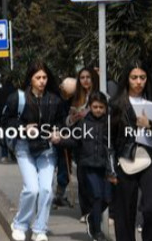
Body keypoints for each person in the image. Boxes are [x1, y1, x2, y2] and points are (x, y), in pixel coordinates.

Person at [2, 61, 65, 241]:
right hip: (24, 147)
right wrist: (22, 127)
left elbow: (61, 121)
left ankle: (40, 229)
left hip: (47, 149)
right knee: (32, 189)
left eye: (44, 77)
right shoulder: (18, 98)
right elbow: (5, 121)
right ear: (30, 78)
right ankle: (20, 224)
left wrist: (57, 131)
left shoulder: (54, 99)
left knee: (46, 189)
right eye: (38, 77)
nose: (42, 81)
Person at [111, 61, 152, 241]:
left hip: (150, 157)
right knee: (124, 212)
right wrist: (109, 167)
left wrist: (150, 125)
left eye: (142, 77)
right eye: (134, 77)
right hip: (125, 158)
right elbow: (108, 138)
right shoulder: (117, 104)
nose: (138, 82)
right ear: (127, 79)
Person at [52, 91, 115, 241]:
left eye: (101, 107)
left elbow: (114, 144)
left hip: (105, 166)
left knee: (107, 198)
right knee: (97, 196)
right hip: (88, 165)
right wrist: (59, 140)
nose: (98, 110)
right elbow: (74, 140)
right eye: (95, 107)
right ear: (90, 107)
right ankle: (97, 231)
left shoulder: (109, 123)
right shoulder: (84, 122)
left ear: (106, 107)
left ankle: (91, 219)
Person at [67, 68, 100, 223]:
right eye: (82, 78)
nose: (85, 80)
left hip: (97, 141)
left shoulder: (101, 95)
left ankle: (98, 210)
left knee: (97, 178)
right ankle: (86, 211)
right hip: (80, 142)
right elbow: (67, 122)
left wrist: (90, 113)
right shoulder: (76, 98)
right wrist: (73, 118)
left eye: (88, 77)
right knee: (82, 177)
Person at [53, 77, 76, 208]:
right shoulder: (57, 99)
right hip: (56, 135)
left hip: (67, 136)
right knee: (59, 165)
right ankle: (56, 195)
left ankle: (59, 194)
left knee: (64, 165)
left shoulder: (73, 100)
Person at [0, 73, 18, 163]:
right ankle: (13, 153)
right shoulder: (16, 91)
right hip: (14, 118)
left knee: (3, 137)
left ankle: (4, 156)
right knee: (13, 135)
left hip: (2, 118)